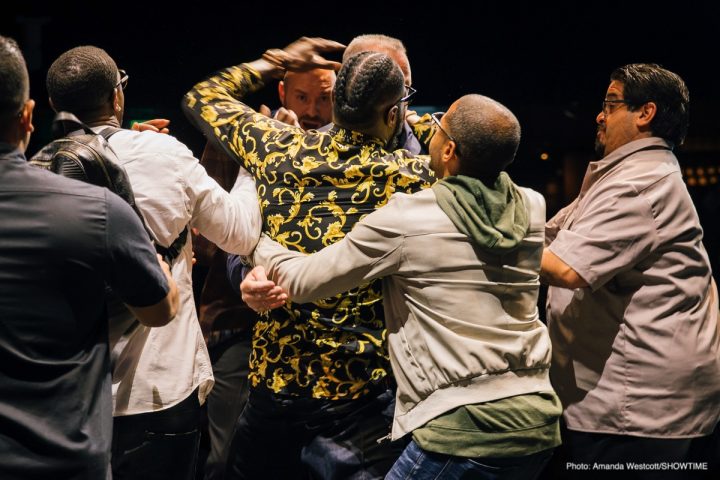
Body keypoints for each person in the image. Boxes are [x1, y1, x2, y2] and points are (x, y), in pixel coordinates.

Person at [245, 94, 561, 480]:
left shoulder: (409, 217)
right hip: (538, 420)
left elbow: (303, 281)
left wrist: (256, 244)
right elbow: (478, 150)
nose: (430, 122)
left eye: (440, 122)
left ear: (449, 150)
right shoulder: (532, 206)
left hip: (464, 425)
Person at [183, 37, 435, 479]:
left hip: (275, 389)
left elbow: (201, 97)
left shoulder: (277, 148)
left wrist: (275, 61)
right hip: (362, 393)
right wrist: (420, 121)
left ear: (334, 99)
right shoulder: (411, 175)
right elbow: (472, 150)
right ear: (393, 113)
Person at [44, 45, 262, 480]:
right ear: (117, 95)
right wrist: (252, 171)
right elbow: (240, 232)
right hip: (157, 392)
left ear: (53, 106)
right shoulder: (165, 154)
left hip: (68, 403)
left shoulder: (40, 169)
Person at [0, 35, 178, 480]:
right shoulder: (96, 210)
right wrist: (159, 260)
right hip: (64, 458)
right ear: (27, 115)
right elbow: (159, 309)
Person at [541, 63, 720, 475]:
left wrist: (481, 238)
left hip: (638, 409)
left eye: (610, 104)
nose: (599, 115)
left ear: (645, 113)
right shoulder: (631, 174)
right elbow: (550, 234)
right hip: (639, 399)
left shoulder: (641, 182)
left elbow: (566, 267)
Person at [195, 65, 337, 480]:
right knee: (227, 459)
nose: (312, 109)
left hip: (320, 333)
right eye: (302, 97)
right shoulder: (238, 139)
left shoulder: (349, 155)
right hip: (239, 324)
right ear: (281, 91)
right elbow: (208, 244)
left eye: (324, 98)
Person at [319, 34, 424, 154]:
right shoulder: (306, 152)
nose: (401, 99)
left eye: (406, 87)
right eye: (385, 85)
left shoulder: (434, 155)